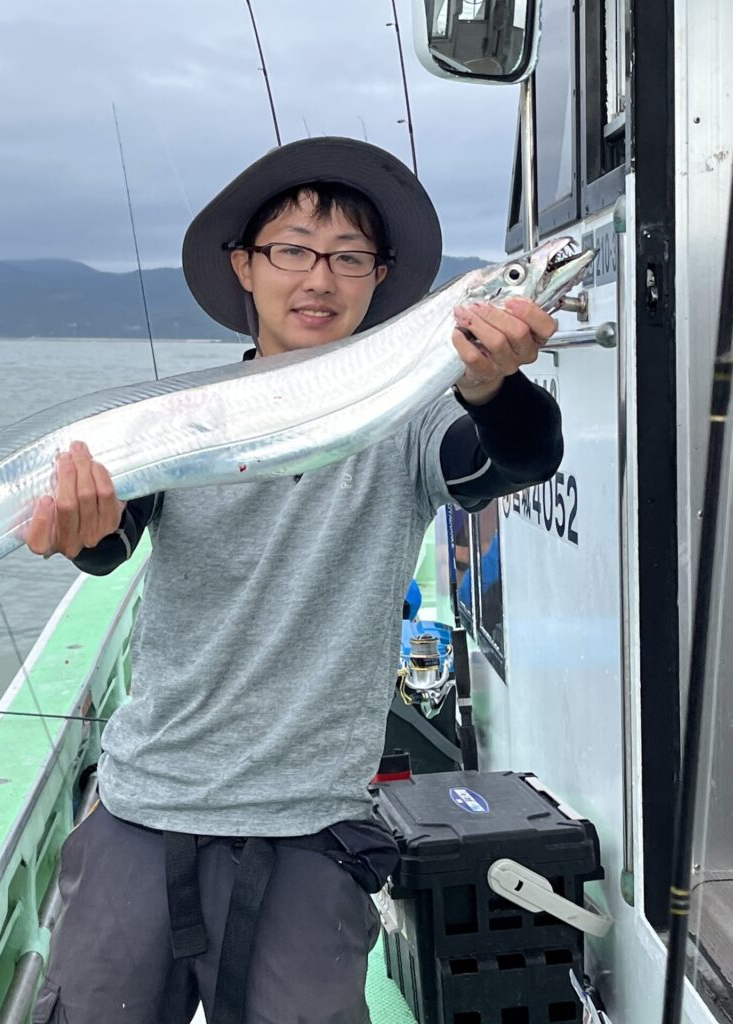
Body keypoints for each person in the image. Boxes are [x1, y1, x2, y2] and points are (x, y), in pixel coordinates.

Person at [29, 137, 562, 1024]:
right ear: (244, 266)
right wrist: (77, 527)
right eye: (292, 250)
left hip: (310, 830)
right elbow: (108, 541)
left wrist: (495, 388)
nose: (320, 278)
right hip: (142, 808)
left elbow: (516, 456)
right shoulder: (183, 415)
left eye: (349, 257)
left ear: (377, 279)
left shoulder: (411, 418)